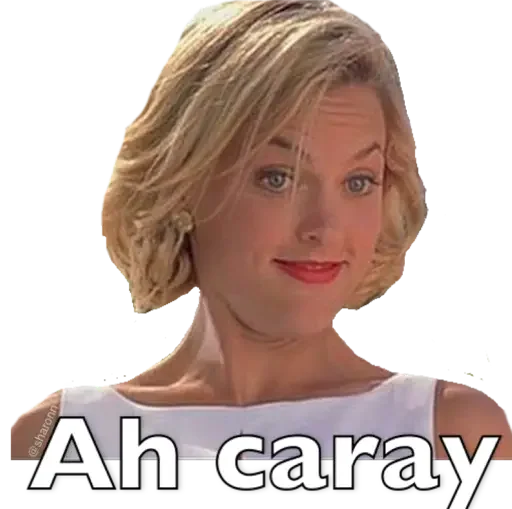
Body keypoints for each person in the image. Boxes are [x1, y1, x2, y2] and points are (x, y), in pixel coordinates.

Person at [10, 0, 510, 464]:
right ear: (184, 185)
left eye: (359, 182)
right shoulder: (55, 440)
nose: (324, 229)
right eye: (278, 178)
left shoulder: (450, 433)